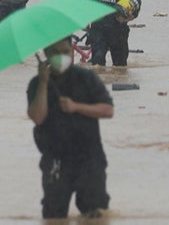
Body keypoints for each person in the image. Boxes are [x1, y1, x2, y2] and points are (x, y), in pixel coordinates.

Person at [27, 36, 115, 219]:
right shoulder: (36, 83)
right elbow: (37, 117)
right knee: (53, 215)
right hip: (55, 160)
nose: (61, 56)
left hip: (89, 158)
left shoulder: (87, 78)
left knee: (95, 214)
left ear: (73, 51)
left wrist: (77, 107)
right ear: (46, 54)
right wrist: (43, 83)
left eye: (65, 51)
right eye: (55, 52)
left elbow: (107, 110)